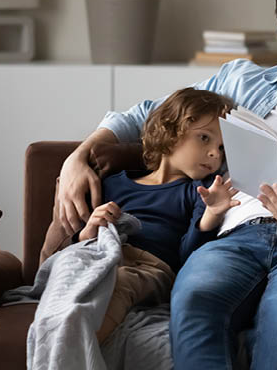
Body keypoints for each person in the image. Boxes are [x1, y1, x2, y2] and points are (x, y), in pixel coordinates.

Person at [54, 0, 277, 368]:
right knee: (195, 299)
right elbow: (146, 115)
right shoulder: (240, 81)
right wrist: (78, 156)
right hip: (235, 238)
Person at [74, 87, 239, 342]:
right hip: (103, 254)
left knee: (120, 283)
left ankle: (76, 346)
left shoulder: (199, 192)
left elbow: (188, 256)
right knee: (72, 270)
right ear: (170, 132)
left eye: (222, 148)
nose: (215, 154)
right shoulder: (113, 183)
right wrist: (88, 232)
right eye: (204, 138)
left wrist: (211, 216)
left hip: (151, 268)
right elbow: (76, 243)